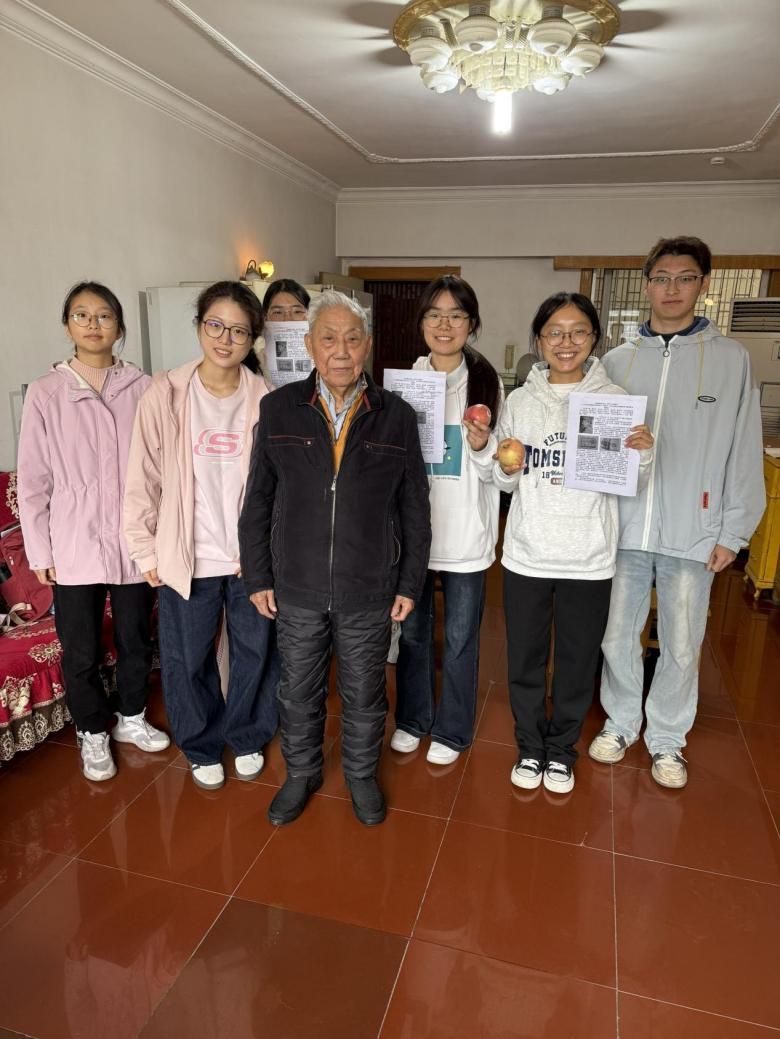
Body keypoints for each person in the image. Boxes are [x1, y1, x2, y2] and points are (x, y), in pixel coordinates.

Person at [239, 289, 431, 826]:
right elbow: (258, 500)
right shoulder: (279, 408)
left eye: (351, 338)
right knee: (298, 690)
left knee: (365, 693)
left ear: (367, 345)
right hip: (296, 583)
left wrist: (409, 583)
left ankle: (361, 775)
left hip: (368, 585)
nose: (340, 351)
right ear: (310, 345)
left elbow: (414, 506)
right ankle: (301, 773)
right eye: (328, 338)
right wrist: (258, 575)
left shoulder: (395, 415)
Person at [589, 237, 765, 788]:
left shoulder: (730, 361)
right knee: (617, 634)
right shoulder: (616, 361)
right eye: (661, 278)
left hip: (695, 528)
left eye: (684, 278)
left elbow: (744, 450)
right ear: (647, 285)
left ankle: (667, 738)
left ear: (703, 285)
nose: (672, 289)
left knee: (683, 641)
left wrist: (734, 531)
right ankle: (621, 722)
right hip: (624, 526)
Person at [494, 292, 653, 794]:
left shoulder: (615, 401)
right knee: (524, 659)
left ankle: (561, 750)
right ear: (539, 341)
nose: (566, 342)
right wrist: (505, 464)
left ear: (594, 338)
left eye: (578, 331)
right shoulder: (519, 402)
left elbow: (631, 482)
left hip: (588, 556)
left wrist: (643, 455)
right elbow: (503, 481)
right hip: (527, 553)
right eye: (554, 332)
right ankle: (529, 747)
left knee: (577, 662)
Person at [124, 280, 279, 791]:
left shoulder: (266, 399)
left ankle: (249, 735)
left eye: (238, 331)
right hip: (185, 555)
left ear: (252, 339)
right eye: (215, 325)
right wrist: (144, 548)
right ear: (198, 326)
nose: (225, 339)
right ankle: (201, 743)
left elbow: (277, 486)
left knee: (256, 653)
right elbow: (142, 477)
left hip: (249, 559)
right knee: (186, 659)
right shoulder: (165, 394)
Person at [17, 281, 169, 782]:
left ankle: (131, 716)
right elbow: (34, 479)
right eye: (81, 315)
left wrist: (158, 535)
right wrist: (40, 549)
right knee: (79, 646)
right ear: (67, 326)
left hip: (132, 537)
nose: (93, 324)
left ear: (119, 326)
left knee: (134, 637)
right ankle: (92, 731)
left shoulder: (143, 387)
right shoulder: (46, 392)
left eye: (103, 316)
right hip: (73, 539)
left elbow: (159, 466)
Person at [391, 275, 502, 765]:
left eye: (456, 315)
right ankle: (413, 719)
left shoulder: (487, 384)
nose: (445, 324)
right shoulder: (404, 385)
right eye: (435, 314)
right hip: (415, 535)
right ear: (421, 324)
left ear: (471, 325)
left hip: (466, 536)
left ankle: (453, 730)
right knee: (413, 633)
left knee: (460, 638)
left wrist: (483, 446)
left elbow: (501, 472)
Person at [260, 278, 311, 387]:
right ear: (265, 317)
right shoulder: (256, 357)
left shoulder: (321, 350)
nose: (288, 319)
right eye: (278, 312)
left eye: (297, 311)